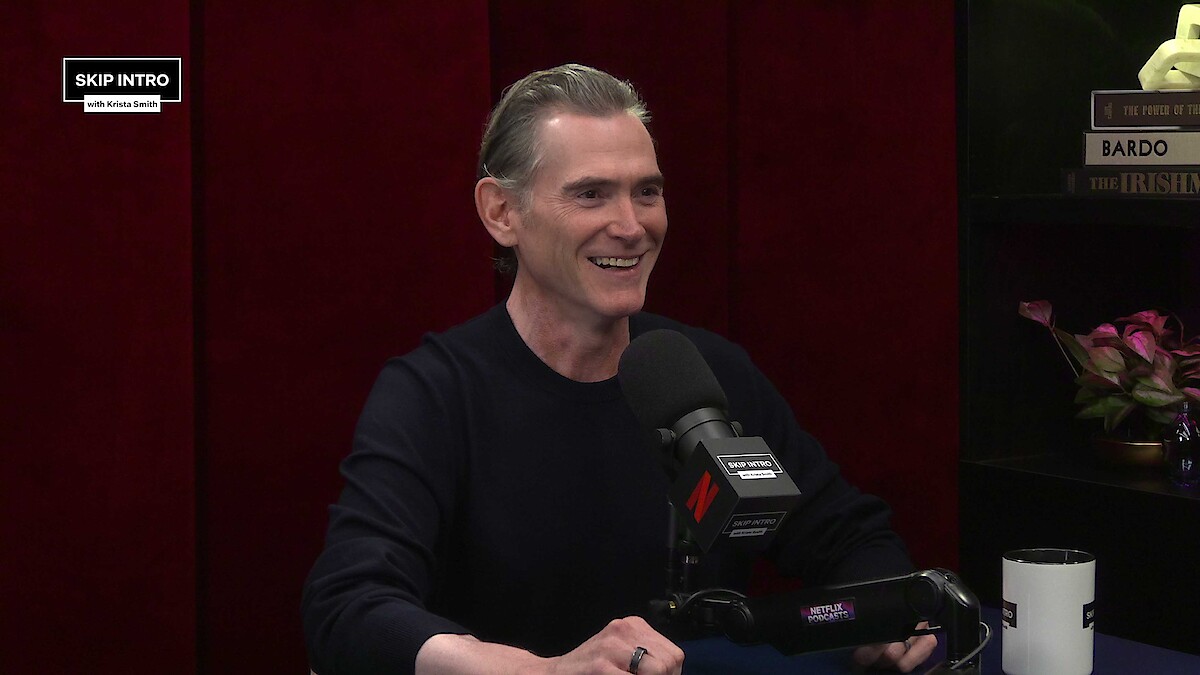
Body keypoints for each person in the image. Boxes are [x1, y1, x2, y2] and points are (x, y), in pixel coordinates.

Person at [302, 63, 937, 675]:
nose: (632, 227)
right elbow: (350, 608)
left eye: (647, 192)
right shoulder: (435, 393)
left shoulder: (704, 373)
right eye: (591, 194)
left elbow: (851, 539)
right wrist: (544, 673)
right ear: (501, 213)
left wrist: (881, 614)